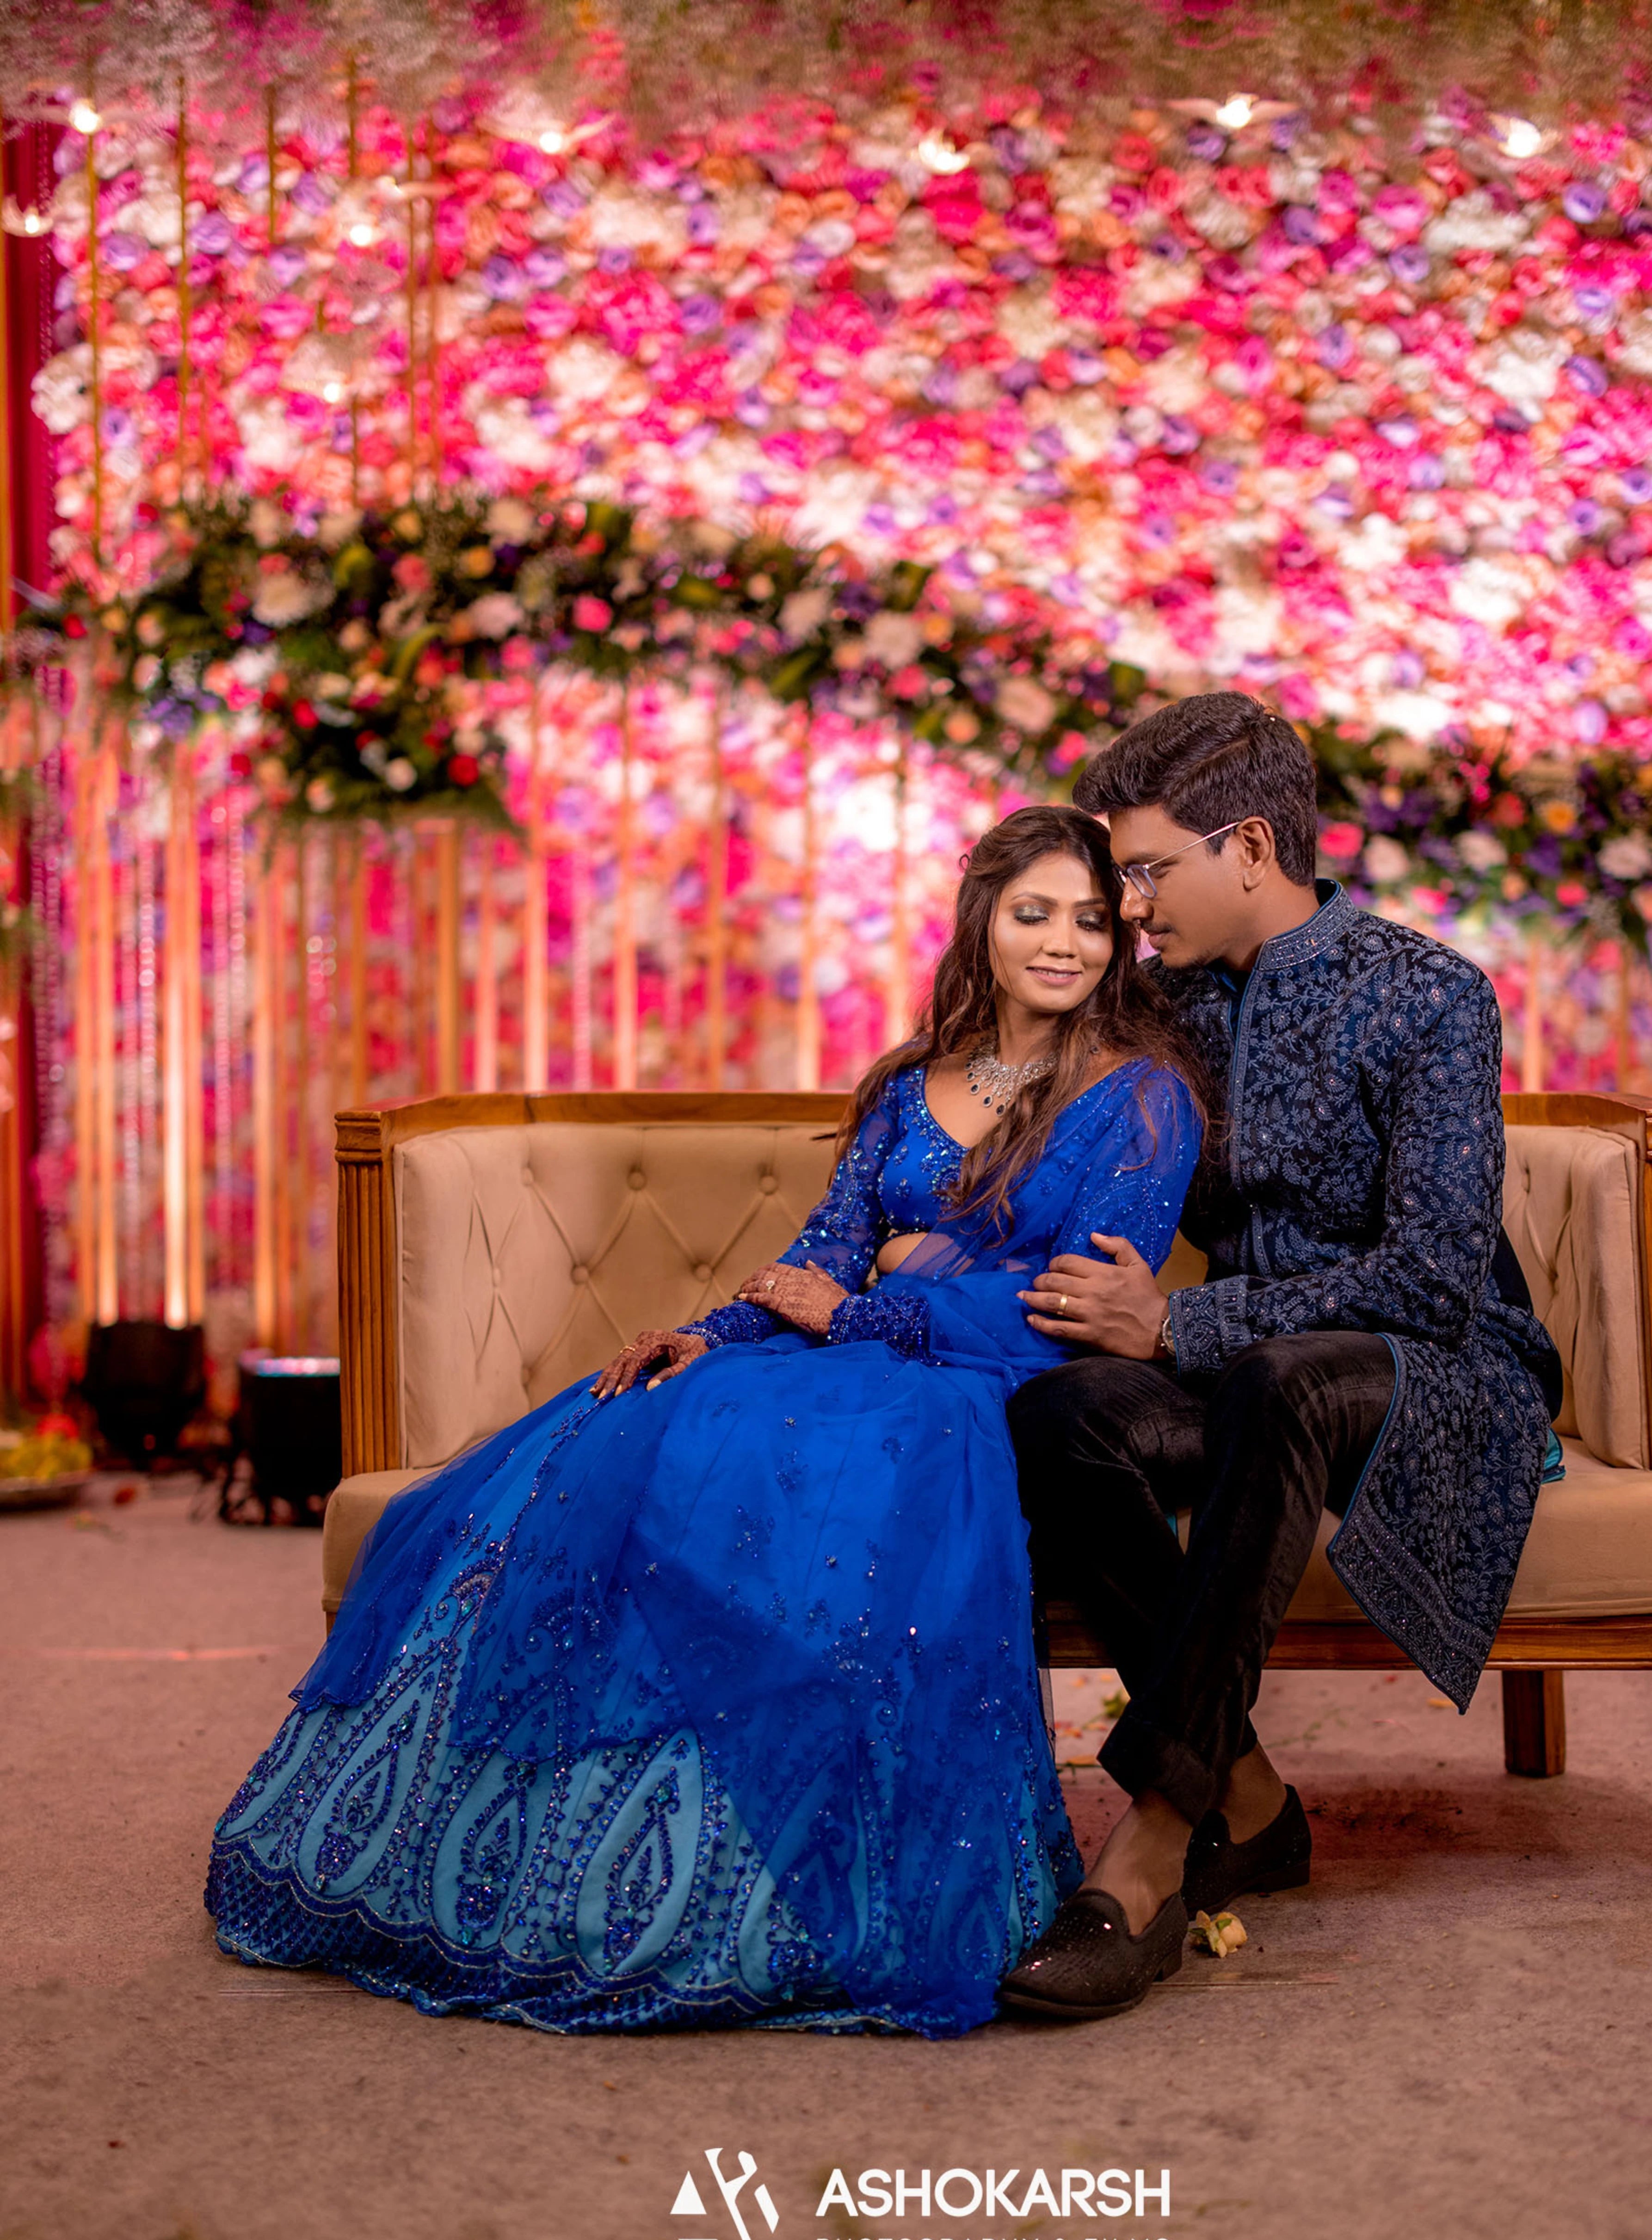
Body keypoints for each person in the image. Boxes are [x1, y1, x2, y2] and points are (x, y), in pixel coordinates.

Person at [207, 806, 1208, 2038]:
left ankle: (764, 1902)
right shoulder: (910, 1084)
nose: (1062, 942)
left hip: (973, 1397)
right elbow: (827, 1251)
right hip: (851, 1355)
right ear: (983, 922)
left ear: (1121, 943)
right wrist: (719, 1331)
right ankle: (555, 1882)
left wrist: (873, 1308)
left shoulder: (1140, 1100)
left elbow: (1063, 1304)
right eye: (1034, 913)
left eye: (1092, 922)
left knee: (805, 1474)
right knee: (636, 1426)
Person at [999, 694, 1562, 2024]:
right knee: (1061, 1409)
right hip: (1260, 1372)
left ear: (1246, 847)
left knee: (1274, 1374)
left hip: (1440, 1368)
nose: (1128, 903)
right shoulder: (1158, 1006)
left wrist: (1182, 1324)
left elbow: (1432, 1276)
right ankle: (1246, 1802)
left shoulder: (1428, 996)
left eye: (1146, 869)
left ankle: (1142, 1858)